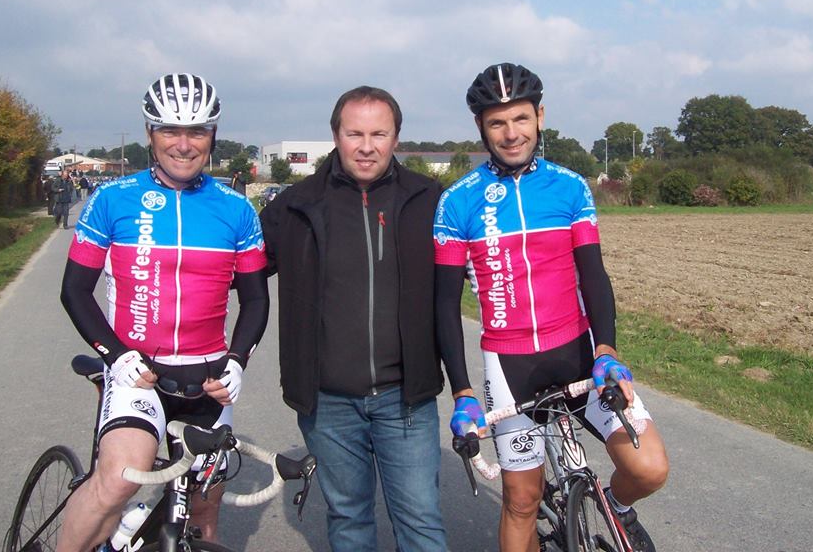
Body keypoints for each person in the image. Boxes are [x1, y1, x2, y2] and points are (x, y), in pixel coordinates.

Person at [434, 63, 669, 552]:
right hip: (510, 364)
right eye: (497, 122)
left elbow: (594, 276)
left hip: (579, 354)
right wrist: (461, 392)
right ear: (481, 127)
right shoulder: (458, 201)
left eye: (520, 118)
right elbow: (443, 305)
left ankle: (618, 508)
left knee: (649, 468)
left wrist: (606, 349)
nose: (511, 133)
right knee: (522, 501)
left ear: (539, 116)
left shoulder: (570, 186)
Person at [55, 73, 270, 552]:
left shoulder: (236, 209)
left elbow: (256, 299)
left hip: (208, 375)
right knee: (117, 482)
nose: (184, 144)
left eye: (197, 131)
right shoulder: (112, 199)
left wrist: (238, 360)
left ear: (213, 135)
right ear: (150, 133)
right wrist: (115, 355)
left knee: (204, 509)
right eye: (170, 130)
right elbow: (75, 291)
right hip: (137, 373)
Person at [260, 86, 471, 552]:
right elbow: (230, 273)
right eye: (354, 133)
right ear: (336, 135)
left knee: (421, 523)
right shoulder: (294, 206)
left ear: (397, 137)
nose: (367, 145)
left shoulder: (430, 199)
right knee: (349, 521)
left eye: (380, 133)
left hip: (406, 400)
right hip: (327, 403)